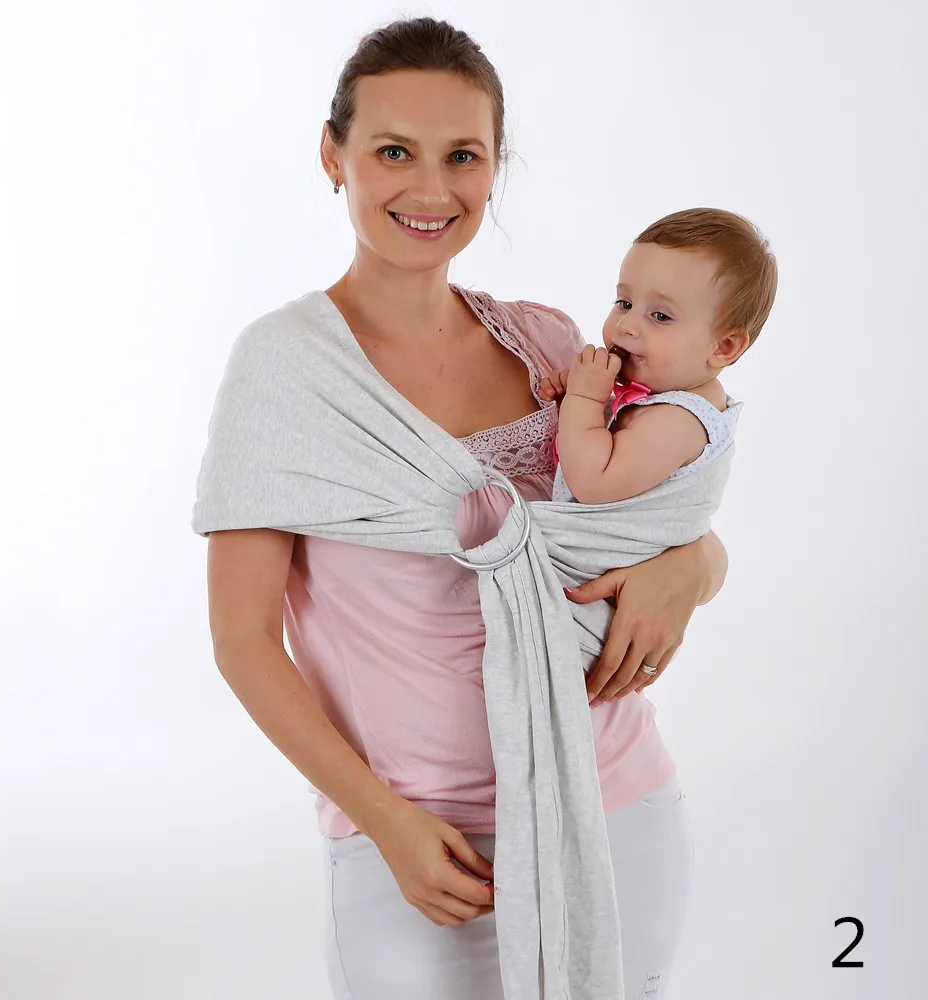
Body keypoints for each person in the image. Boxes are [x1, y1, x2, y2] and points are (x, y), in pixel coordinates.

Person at [195, 17, 729, 1000]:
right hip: (419, 845)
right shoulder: (285, 371)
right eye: (393, 151)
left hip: (614, 804)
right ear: (333, 156)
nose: (432, 189)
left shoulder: (550, 345)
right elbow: (242, 639)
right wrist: (383, 822)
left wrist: (695, 566)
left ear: (495, 168)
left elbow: (661, 508)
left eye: (463, 156)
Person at [540, 207, 776, 512]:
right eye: (625, 303)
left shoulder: (679, 421)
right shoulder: (668, 394)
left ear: (724, 347)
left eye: (661, 316)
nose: (626, 325)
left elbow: (591, 484)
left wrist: (584, 399)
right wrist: (582, 406)